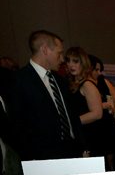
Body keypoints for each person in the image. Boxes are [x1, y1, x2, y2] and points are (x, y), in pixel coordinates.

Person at [11, 30, 84, 160]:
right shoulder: (19, 80)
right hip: (43, 159)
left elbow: (71, 116)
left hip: (73, 153)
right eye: (59, 53)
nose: (62, 59)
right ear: (45, 50)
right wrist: (31, 158)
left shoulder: (60, 80)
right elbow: (17, 126)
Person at [65, 47, 104, 160]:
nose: (71, 65)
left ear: (83, 63)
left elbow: (97, 113)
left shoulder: (87, 85)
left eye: (75, 61)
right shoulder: (73, 83)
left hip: (89, 138)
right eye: (68, 61)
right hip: (80, 136)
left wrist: (71, 123)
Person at [89, 54, 115, 169]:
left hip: (107, 124)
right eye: (96, 70)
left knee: (111, 158)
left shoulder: (104, 82)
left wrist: (114, 108)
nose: (99, 73)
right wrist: (101, 105)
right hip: (93, 127)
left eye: (100, 70)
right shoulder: (83, 84)